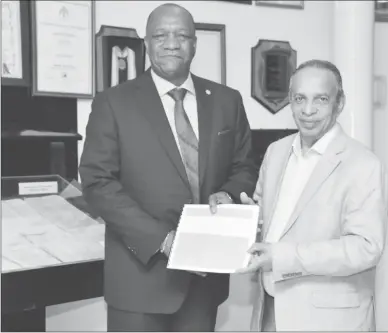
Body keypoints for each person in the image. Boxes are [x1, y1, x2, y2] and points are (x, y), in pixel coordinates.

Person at [79, 3, 257, 331]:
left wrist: (229, 195)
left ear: (194, 44)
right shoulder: (113, 103)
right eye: (161, 35)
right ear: (146, 43)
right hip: (139, 283)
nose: (171, 43)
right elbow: (97, 182)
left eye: (181, 35)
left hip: (204, 285)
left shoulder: (226, 100)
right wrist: (164, 240)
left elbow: (244, 166)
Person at [238, 59, 388, 331]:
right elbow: (271, 222)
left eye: (320, 99)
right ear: (290, 101)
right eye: (299, 99)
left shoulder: (364, 164)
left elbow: (365, 248)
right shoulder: (276, 152)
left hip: (329, 318)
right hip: (270, 307)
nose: (308, 110)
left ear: (339, 103)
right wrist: (250, 220)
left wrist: (282, 257)